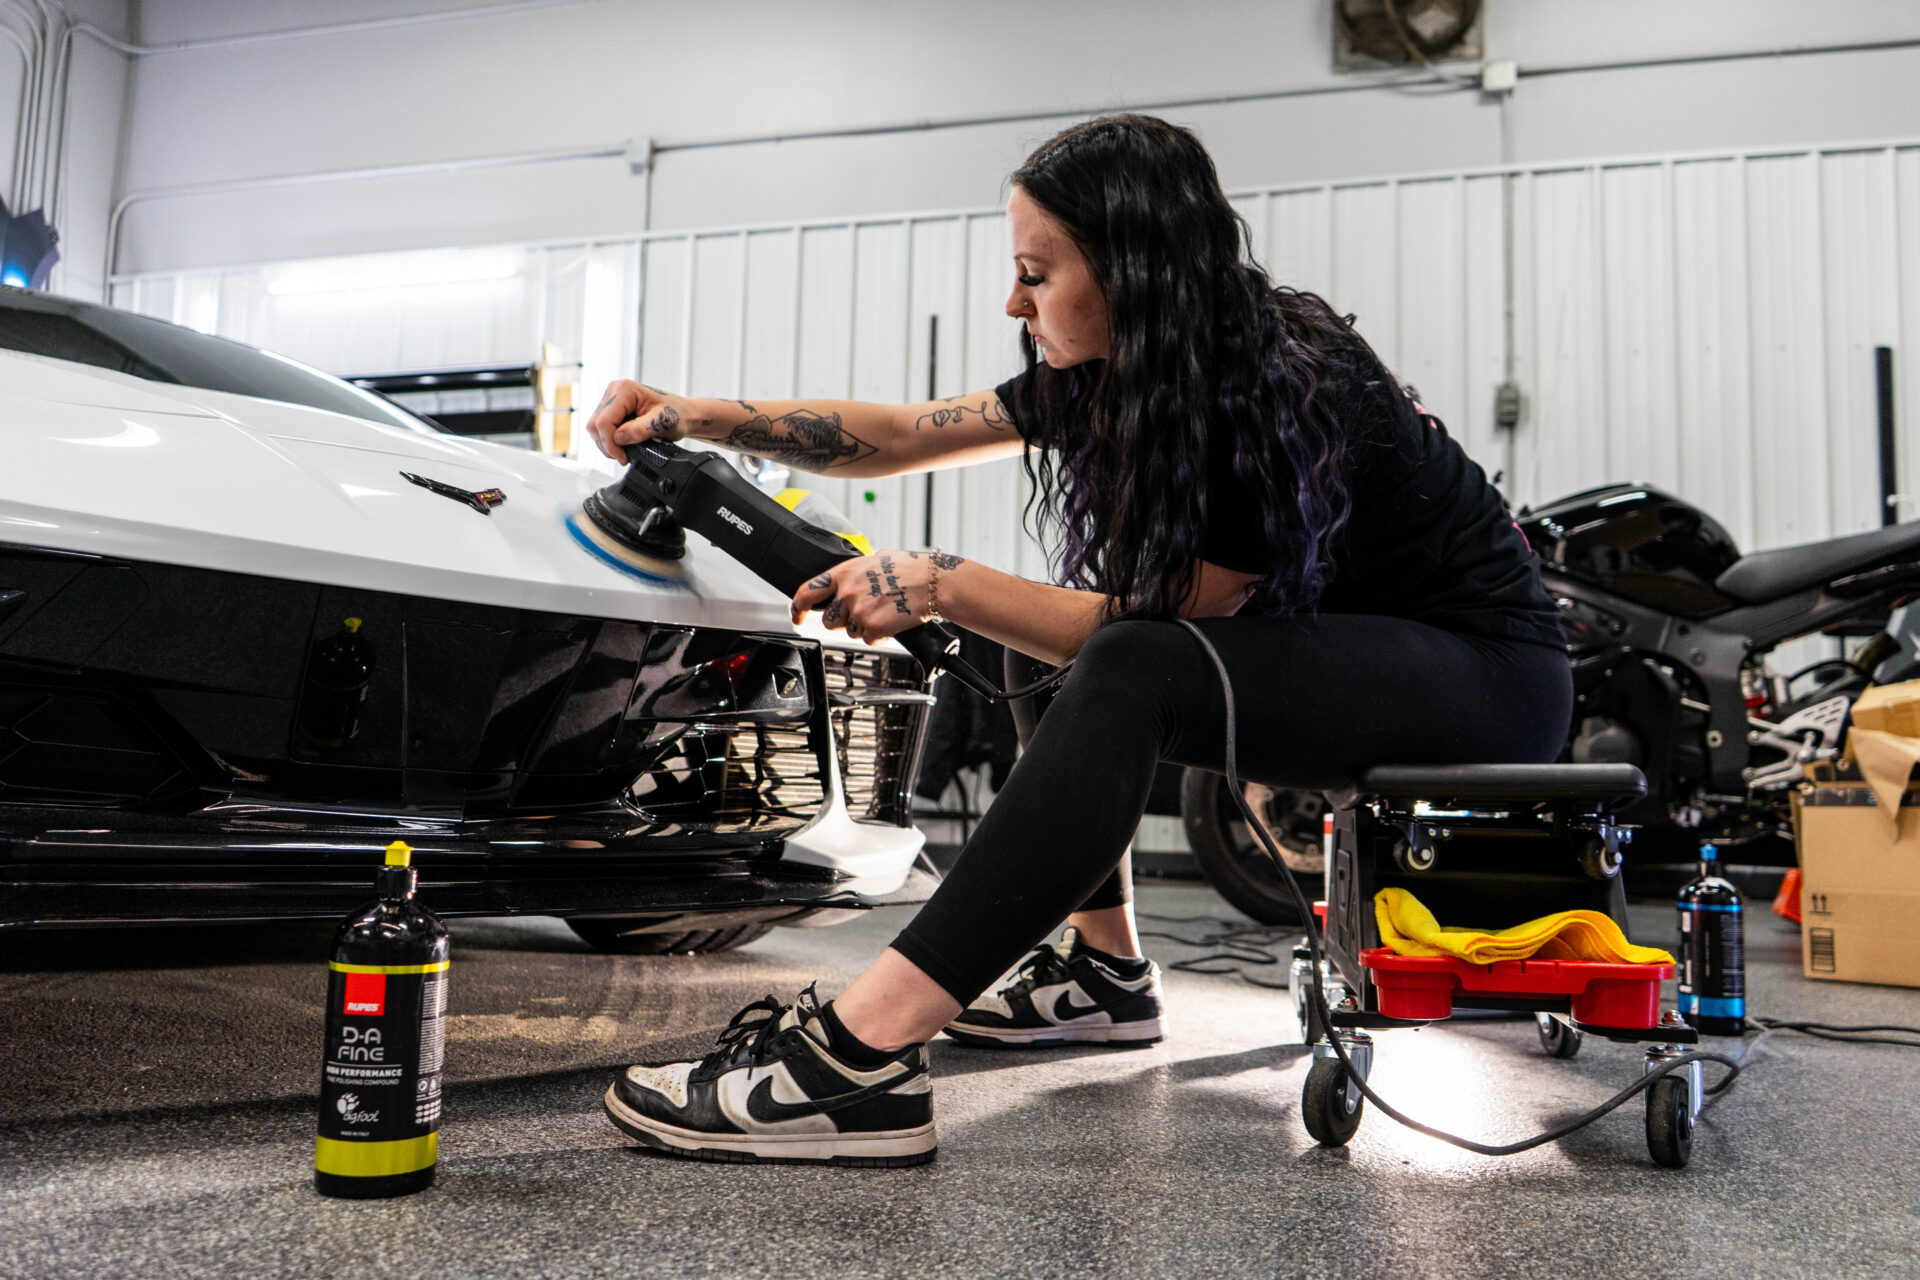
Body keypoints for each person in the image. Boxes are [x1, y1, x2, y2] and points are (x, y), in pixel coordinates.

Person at [582, 114, 1572, 1168]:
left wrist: (940, 581)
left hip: (1487, 673)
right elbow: (904, 433)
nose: (1015, 301)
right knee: (1029, 631)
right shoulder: (1124, 367)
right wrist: (697, 416)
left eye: (1036, 274)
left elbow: (1167, 625)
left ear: (1134, 272)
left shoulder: (1275, 381)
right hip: (1382, 644)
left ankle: (858, 1057)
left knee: (1122, 656)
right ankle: (1107, 977)